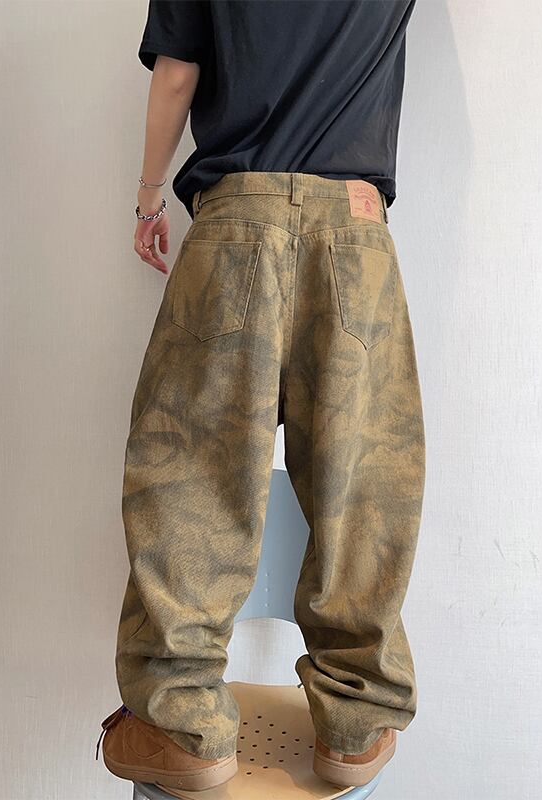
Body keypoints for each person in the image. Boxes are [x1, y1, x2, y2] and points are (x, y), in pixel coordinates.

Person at [96, 0, 425, 791]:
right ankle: (356, 722)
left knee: (190, 477)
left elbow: (178, 77)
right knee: (363, 486)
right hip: (357, 232)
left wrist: (149, 197)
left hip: (235, 221)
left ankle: (182, 726)